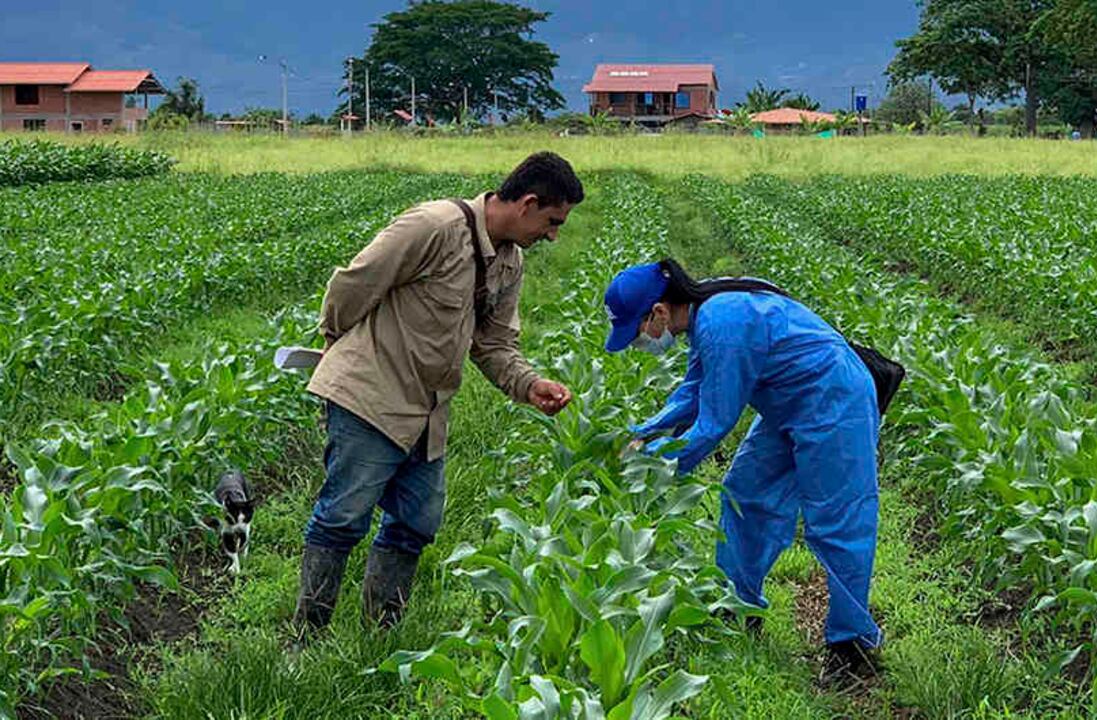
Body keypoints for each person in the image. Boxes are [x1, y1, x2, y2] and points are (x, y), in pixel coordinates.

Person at [296, 152, 582, 630]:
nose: (552, 235)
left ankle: (381, 632)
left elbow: (493, 344)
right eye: (552, 222)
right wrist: (335, 345)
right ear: (528, 204)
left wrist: (529, 385)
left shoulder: (508, 264)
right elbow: (354, 284)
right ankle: (306, 636)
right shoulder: (433, 226)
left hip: (427, 414)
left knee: (416, 522)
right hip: (371, 396)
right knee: (343, 517)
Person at [604, 259, 883, 678]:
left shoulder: (722, 322)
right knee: (744, 496)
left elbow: (713, 424)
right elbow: (693, 391)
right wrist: (639, 433)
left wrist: (651, 468)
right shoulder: (706, 317)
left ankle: (851, 646)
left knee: (836, 520)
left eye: (637, 332)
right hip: (788, 406)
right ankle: (737, 609)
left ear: (658, 312)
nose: (640, 342)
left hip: (834, 401)